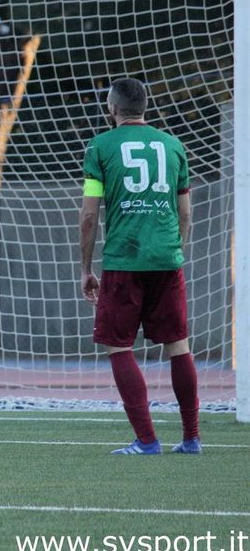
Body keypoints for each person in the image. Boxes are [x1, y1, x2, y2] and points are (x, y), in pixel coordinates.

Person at [80, 77, 200, 455]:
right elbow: (185, 214)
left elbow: (88, 214)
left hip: (123, 260)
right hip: (167, 259)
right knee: (178, 346)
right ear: (144, 107)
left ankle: (147, 440)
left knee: (118, 347)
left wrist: (85, 268)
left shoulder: (100, 147)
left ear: (112, 109)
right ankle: (191, 438)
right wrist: (170, 250)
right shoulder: (174, 146)